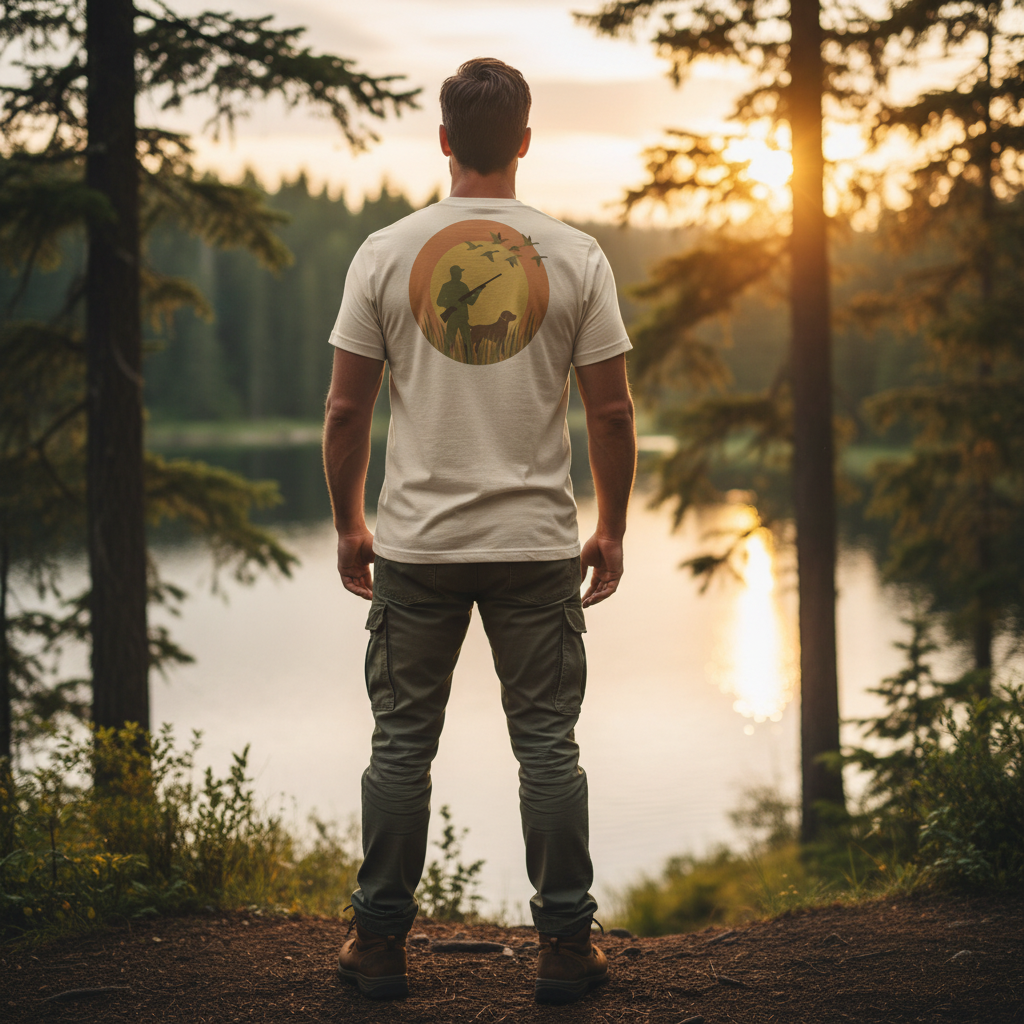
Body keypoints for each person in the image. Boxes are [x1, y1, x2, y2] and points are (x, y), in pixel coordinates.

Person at [323, 57, 636, 1006]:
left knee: (400, 745)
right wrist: (612, 528)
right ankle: (565, 949)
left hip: (415, 546)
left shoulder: (386, 251)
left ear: (447, 141)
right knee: (547, 745)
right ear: (526, 143)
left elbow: (345, 412)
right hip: (537, 545)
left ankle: (378, 948)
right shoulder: (574, 254)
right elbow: (613, 415)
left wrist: (350, 525)